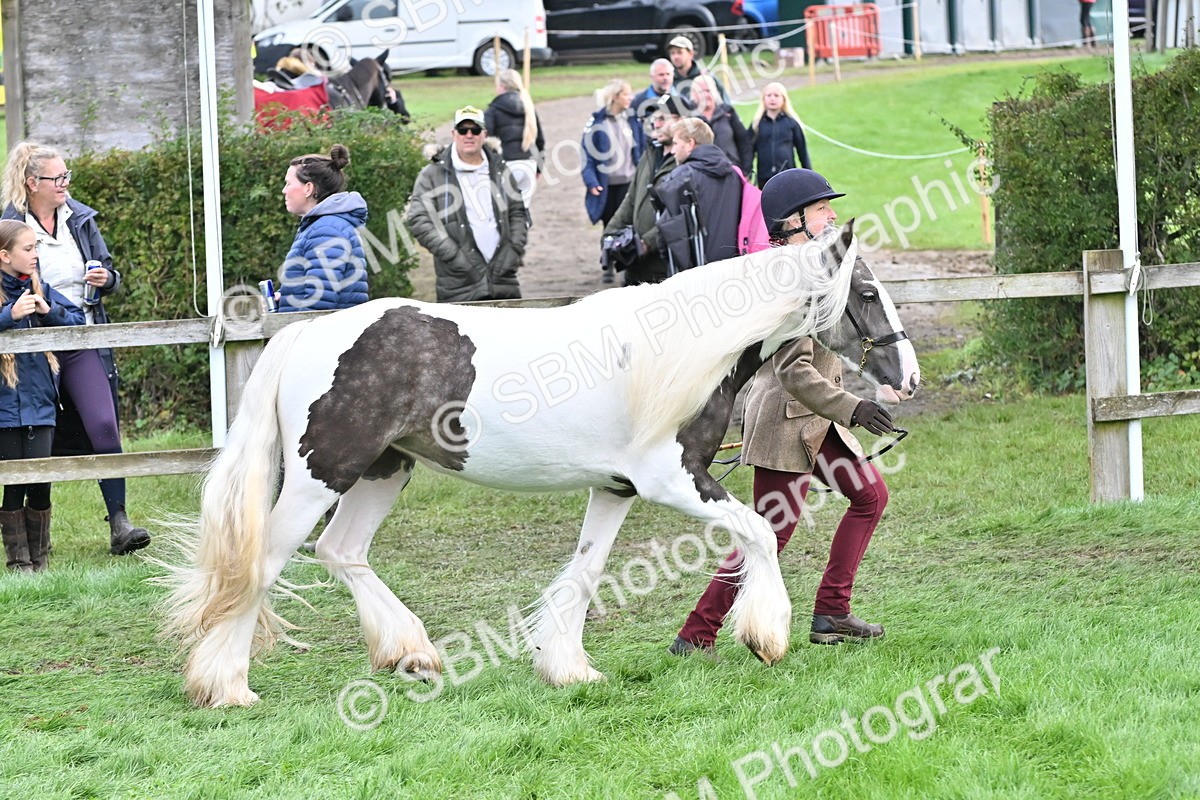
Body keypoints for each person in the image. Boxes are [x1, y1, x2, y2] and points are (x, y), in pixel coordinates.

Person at [669, 167, 897, 657]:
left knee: (870, 497)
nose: (832, 214)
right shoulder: (785, 279)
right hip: (786, 421)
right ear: (793, 221)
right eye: (821, 209)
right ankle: (695, 633)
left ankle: (833, 610)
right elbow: (794, 371)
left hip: (819, 421)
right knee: (770, 535)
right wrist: (855, 407)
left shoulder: (816, 267)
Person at [0, 142, 152, 556]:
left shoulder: (80, 219)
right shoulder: (8, 225)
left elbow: (110, 272)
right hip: (29, 349)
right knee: (29, 436)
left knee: (103, 424)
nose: (66, 184)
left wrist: (108, 279)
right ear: (33, 183)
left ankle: (119, 521)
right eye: (58, 177)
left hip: (79, 333)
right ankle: (26, 547)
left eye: (67, 176)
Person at [0, 220, 84, 571]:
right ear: (5, 255)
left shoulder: (41, 288)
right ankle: (18, 562)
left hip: (42, 405)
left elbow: (78, 322)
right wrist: (9, 315)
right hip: (5, 408)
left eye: (36, 247)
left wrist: (50, 311)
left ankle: (41, 560)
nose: (36, 254)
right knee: (14, 484)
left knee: (41, 482)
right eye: (28, 248)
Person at [406, 106, 527, 302]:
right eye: (463, 130)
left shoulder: (501, 169)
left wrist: (513, 249)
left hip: (502, 280)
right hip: (458, 284)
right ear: (454, 134)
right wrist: (454, 257)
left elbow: (518, 212)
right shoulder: (431, 174)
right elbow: (419, 219)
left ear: (485, 134)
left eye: (475, 130)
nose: (469, 135)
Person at [602, 95, 686, 286]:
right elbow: (631, 199)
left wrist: (646, 243)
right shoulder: (648, 155)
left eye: (662, 118)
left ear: (680, 121)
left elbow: (678, 215)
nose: (656, 124)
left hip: (667, 269)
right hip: (636, 266)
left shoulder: (687, 163)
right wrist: (609, 233)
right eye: (654, 119)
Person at [276, 144, 370, 312]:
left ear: (308, 188)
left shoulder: (327, 229)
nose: (284, 190)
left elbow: (318, 305)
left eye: (288, 184)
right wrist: (284, 300)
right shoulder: (321, 226)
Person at [652, 118, 741, 271]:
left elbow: (667, 233)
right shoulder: (734, 173)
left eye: (675, 143)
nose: (672, 151)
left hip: (695, 274)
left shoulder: (680, 176)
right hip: (733, 265)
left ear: (690, 144)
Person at [582, 80, 646, 284]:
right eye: (627, 94)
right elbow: (586, 157)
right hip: (607, 184)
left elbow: (643, 149)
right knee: (609, 224)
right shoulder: (597, 122)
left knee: (629, 224)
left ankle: (628, 263)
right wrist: (591, 182)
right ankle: (608, 262)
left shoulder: (633, 120)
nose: (631, 98)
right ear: (615, 97)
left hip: (629, 181)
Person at [485, 69, 546, 213]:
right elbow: (540, 141)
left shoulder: (492, 111)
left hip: (505, 165)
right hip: (528, 165)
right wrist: (539, 167)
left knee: (502, 215)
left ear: (501, 86)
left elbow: (487, 142)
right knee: (522, 215)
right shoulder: (529, 107)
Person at [750, 81, 812, 188]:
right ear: (763, 99)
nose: (772, 98)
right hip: (764, 177)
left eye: (776, 95)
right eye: (769, 95)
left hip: (787, 175)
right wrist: (746, 171)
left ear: (783, 99)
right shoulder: (757, 124)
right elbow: (748, 150)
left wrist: (809, 175)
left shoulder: (792, 123)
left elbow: (802, 151)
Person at [688, 74, 753, 174]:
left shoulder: (728, 112)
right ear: (694, 95)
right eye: (700, 92)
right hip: (702, 173)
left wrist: (745, 171)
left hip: (732, 171)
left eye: (708, 90)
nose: (705, 95)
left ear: (715, 92)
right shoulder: (689, 117)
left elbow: (744, 142)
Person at [667, 35, 729, 105]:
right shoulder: (668, 80)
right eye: (672, 53)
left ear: (691, 54)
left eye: (679, 52)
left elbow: (726, 105)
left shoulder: (706, 77)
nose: (676, 57)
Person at [631, 58, 677, 123]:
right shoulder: (638, 101)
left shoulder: (681, 100)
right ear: (652, 77)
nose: (665, 78)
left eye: (668, 74)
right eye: (661, 74)